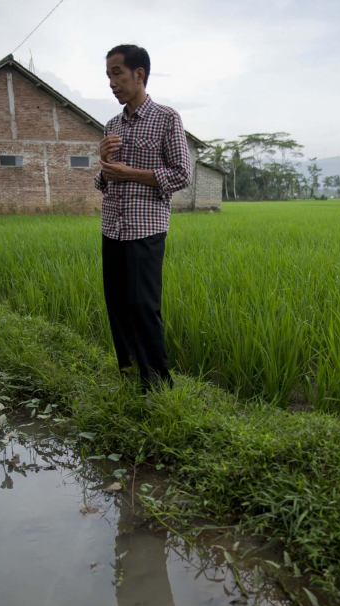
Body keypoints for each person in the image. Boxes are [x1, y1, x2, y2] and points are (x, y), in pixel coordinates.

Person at [94, 44, 192, 391]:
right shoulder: (111, 125)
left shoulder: (167, 118)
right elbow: (102, 182)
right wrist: (104, 165)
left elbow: (182, 174)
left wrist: (130, 172)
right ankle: (130, 372)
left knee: (142, 305)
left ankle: (158, 386)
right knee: (118, 304)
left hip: (145, 228)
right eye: (108, 75)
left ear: (139, 74)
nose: (111, 82)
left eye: (117, 73)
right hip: (113, 226)